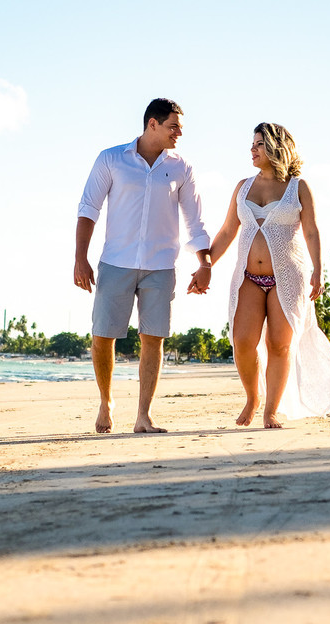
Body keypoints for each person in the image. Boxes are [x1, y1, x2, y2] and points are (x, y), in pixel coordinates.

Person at [192, 123, 330, 428]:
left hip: (288, 277)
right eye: (253, 144)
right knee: (242, 341)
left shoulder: (298, 187)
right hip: (248, 277)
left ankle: (270, 411)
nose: (252, 149)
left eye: (259, 144)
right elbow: (227, 231)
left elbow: (311, 231)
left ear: (276, 147)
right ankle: (253, 397)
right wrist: (206, 267)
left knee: (279, 345)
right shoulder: (243, 186)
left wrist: (318, 270)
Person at [75, 98, 212, 433]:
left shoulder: (181, 168)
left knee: (154, 338)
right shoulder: (111, 159)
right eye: (173, 126)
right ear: (153, 124)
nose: (179, 133)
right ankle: (106, 401)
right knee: (103, 335)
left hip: (161, 265)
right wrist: (80, 257)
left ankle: (143, 415)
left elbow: (194, 221)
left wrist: (205, 263)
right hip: (115, 261)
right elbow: (89, 208)